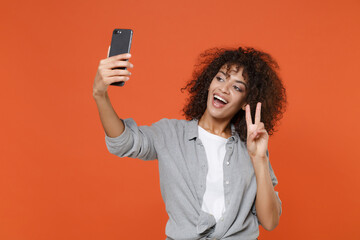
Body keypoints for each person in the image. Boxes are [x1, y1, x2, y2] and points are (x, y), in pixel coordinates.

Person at [93, 47, 287, 240]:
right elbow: (123, 142)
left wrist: (259, 158)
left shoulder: (251, 148)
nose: (224, 89)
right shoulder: (170, 134)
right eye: (220, 78)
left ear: (247, 101)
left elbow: (270, 221)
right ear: (209, 84)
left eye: (237, 87)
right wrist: (100, 95)